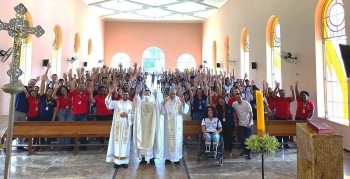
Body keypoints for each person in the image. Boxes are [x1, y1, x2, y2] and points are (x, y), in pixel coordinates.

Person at [105, 83, 134, 169]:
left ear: (129, 95)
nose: (125, 95)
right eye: (123, 94)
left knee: (126, 144)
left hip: (126, 128)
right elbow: (108, 104)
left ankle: (125, 161)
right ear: (121, 95)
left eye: (126, 94)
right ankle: (117, 161)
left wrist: (128, 115)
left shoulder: (132, 104)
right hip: (117, 128)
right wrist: (110, 93)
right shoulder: (116, 103)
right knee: (117, 143)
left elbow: (135, 115)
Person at [133, 87, 161, 165]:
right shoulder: (141, 102)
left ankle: (152, 158)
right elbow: (136, 104)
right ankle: (143, 159)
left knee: (152, 138)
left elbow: (157, 107)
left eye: (148, 92)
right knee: (143, 140)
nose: (147, 93)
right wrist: (136, 94)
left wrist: (156, 97)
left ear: (150, 94)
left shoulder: (153, 102)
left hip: (151, 125)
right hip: (142, 126)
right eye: (145, 92)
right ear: (144, 94)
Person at [161, 88, 189, 165]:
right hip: (168, 125)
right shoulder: (166, 100)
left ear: (175, 93)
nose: (172, 96)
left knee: (177, 141)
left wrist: (183, 103)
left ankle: (177, 158)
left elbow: (184, 111)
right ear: (168, 94)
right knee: (168, 141)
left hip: (177, 126)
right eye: (171, 94)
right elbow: (161, 111)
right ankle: (168, 158)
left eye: (173, 94)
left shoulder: (179, 100)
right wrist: (163, 104)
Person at [232, 94, 253, 159]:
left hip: (248, 123)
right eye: (237, 97)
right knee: (242, 138)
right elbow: (234, 114)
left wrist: (249, 123)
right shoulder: (234, 104)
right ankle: (245, 151)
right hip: (241, 123)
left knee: (249, 138)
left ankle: (249, 152)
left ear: (242, 97)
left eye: (239, 97)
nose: (238, 98)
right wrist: (236, 123)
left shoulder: (247, 103)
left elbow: (251, 113)